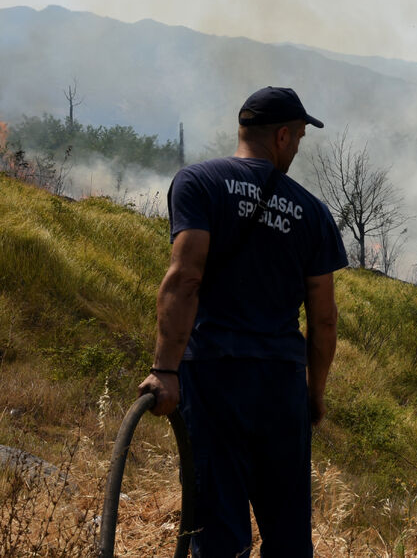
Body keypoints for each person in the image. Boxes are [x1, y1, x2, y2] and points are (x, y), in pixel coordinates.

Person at [137, 86, 348, 557]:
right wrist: (313, 394)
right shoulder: (313, 213)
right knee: (289, 535)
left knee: (218, 532)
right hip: (280, 383)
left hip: (212, 378)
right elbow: (325, 319)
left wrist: (166, 370)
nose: (296, 149)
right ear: (282, 136)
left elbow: (184, 278)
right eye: (297, 139)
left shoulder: (198, 184)